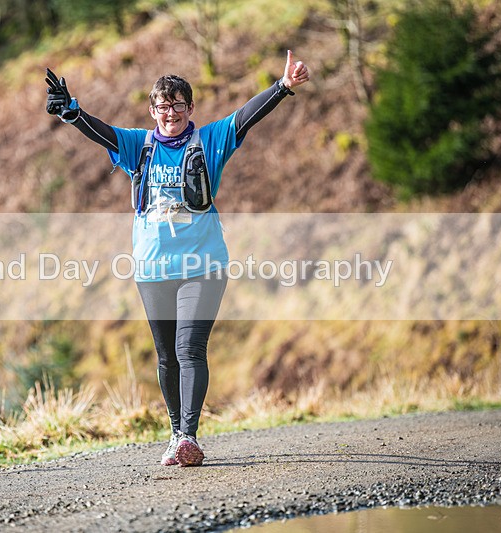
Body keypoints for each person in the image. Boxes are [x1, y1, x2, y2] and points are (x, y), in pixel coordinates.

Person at [45, 51, 310, 466]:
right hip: (152, 269)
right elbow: (103, 133)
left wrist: (283, 87)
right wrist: (72, 112)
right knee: (166, 354)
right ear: (153, 110)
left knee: (189, 348)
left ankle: (188, 435)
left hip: (202, 266)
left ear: (190, 108)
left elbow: (245, 117)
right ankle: (175, 434)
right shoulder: (139, 145)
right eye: (163, 106)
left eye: (178, 105)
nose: (171, 112)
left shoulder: (209, 140)